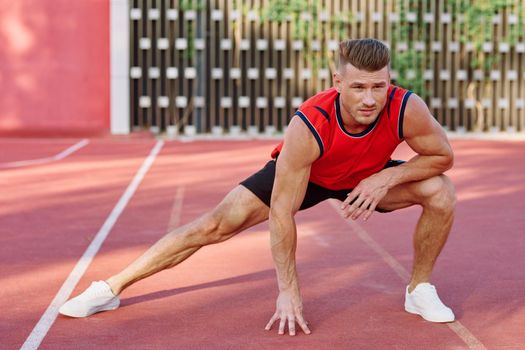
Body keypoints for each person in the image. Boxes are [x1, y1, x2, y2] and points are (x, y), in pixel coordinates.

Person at [60, 38, 456, 335]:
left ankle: (419, 289)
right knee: (212, 226)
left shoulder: (406, 107)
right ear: (338, 81)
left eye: (378, 86)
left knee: (440, 191)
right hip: (309, 175)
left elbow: (442, 156)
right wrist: (288, 290)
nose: (370, 99)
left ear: (389, 81)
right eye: (358, 88)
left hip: (367, 178)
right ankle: (110, 288)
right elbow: (282, 213)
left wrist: (385, 176)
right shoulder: (310, 124)